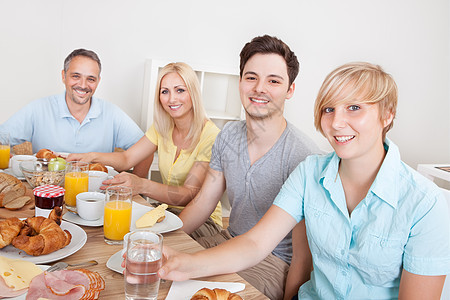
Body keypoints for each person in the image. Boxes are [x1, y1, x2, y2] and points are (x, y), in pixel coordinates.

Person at [158, 62, 450, 300]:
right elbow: (256, 243)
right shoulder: (310, 171)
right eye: (329, 109)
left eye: (355, 108)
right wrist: (184, 264)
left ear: (387, 115)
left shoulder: (426, 204)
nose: (336, 123)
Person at [176, 35, 321, 299]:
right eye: (251, 77)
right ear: (240, 81)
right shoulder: (228, 135)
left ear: (290, 90)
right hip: (228, 239)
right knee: (159, 272)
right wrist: (164, 237)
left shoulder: (304, 156)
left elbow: (303, 257)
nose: (259, 88)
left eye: (273, 81)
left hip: (273, 263)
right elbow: (203, 202)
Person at [67, 62, 223, 232]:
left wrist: (141, 185)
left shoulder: (211, 136)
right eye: (165, 92)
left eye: (180, 90)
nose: (172, 99)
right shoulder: (162, 127)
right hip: (166, 211)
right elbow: (127, 159)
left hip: (204, 222)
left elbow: (187, 194)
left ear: (193, 92)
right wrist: (91, 156)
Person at [0, 48, 151, 177]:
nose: (83, 85)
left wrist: (135, 187)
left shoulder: (112, 114)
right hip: (46, 191)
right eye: (76, 76)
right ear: (63, 76)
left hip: (97, 196)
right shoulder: (38, 109)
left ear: (98, 81)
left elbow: (148, 150)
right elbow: (1, 138)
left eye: (90, 79)